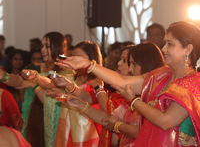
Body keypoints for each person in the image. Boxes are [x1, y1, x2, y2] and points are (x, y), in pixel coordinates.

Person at [55, 21, 200, 146]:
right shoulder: (161, 75)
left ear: (188, 49)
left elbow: (165, 121)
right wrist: (88, 64)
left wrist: (134, 101)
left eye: (170, 44)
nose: (163, 49)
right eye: (165, 44)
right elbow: (122, 81)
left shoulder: (193, 83)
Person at [56, 42, 165, 147]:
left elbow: (144, 131)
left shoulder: (158, 91)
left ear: (149, 63)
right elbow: (110, 118)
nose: (130, 69)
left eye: (133, 63)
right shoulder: (131, 93)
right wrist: (80, 105)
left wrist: (89, 66)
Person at [21, 40, 103, 147]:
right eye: (73, 56)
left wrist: (66, 90)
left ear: (91, 59)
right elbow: (50, 84)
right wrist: (36, 77)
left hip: (90, 131)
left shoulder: (98, 82)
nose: (74, 60)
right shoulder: (73, 77)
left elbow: (86, 97)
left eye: (79, 57)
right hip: (70, 130)